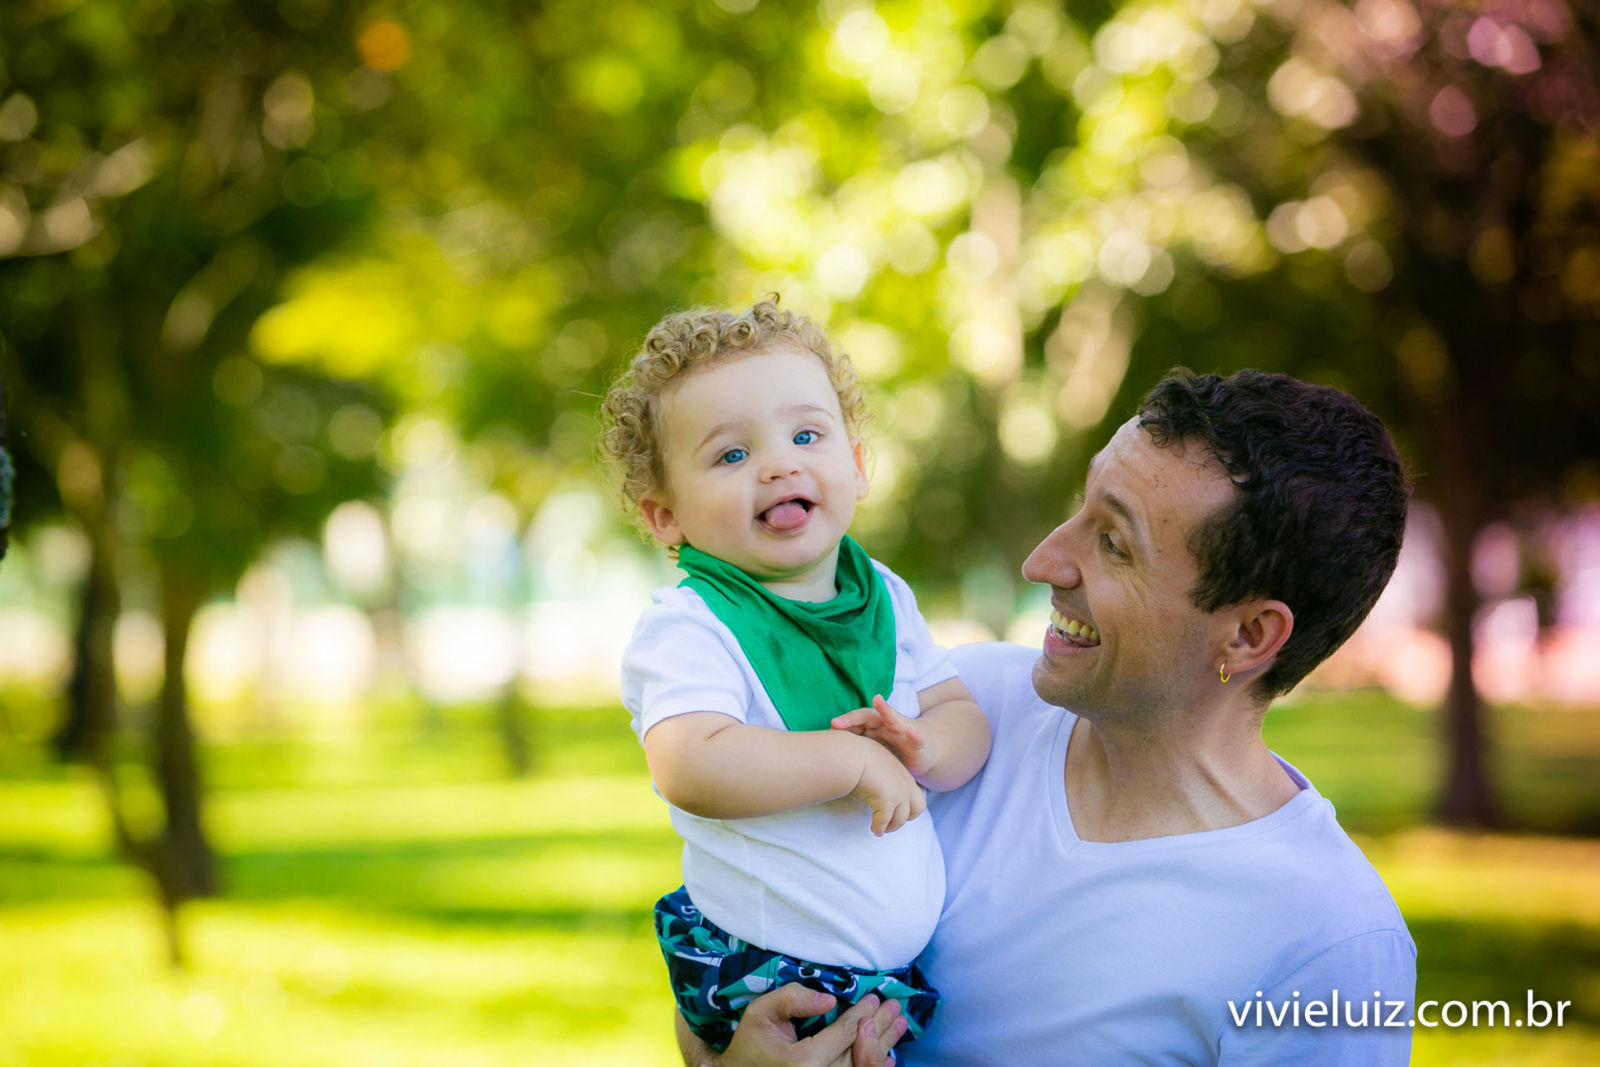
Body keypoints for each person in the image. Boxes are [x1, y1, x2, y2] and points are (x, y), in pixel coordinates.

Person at [688, 368, 1416, 1066]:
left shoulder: (1331, 941)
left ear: (1249, 636)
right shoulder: (951, 719)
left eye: (1113, 543)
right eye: (1081, 505)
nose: (1043, 561)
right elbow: (725, 945)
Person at [600, 300, 991, 1054]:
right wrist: (849, 759)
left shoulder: (882, 594)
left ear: (857, 464)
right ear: (665, 518)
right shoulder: (691, 624)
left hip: (880, 979)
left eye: (806, 435)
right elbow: (690, 762)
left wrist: (924, 745)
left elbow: (961, 714)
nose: (779, 462)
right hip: (768, 972)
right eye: (731, 456)